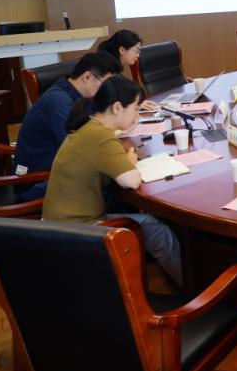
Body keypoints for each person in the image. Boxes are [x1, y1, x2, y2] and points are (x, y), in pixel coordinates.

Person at [42, 76, 183, 285]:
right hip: (76, 230)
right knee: (157, 229)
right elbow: (131, 181)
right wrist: (130, 161)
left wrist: (122, 131)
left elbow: (104, 142)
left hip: (57, 223)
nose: (137, 115)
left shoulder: (90, 127)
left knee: (148, 221)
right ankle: (192, 288)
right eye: (135, 109)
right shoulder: (101, 137)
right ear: (117, 108)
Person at [13, 51, 123, 202]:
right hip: (37, 183)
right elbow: (81, 149)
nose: (108, 91)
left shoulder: (78, 94)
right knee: (115, 185)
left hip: (59, 169)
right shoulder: (59, 103)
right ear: (86, 77)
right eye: (106, 84)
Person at [98, 29, 159, 111]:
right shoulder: (108, 72)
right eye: (136, 51)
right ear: (122, 50)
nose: (138, 55)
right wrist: (135, 106)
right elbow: (113, 103)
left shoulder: (115, 68)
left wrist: (137, 104)